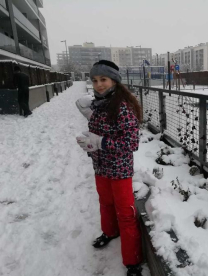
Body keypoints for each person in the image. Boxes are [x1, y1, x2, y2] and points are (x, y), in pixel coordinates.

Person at [75, 60, 143, 276]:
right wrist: (89, 142)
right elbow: (96, 134)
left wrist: (101, 142)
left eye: (103, 79)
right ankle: (109, 232)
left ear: (114, 80)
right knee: (105, 203)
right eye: (94, 80)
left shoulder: (123, 107)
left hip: (120, 170)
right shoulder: (98, 104)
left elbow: (132, 143)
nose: (98, 85)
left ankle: (132, 261)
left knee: (125, 213)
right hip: (100, 166)